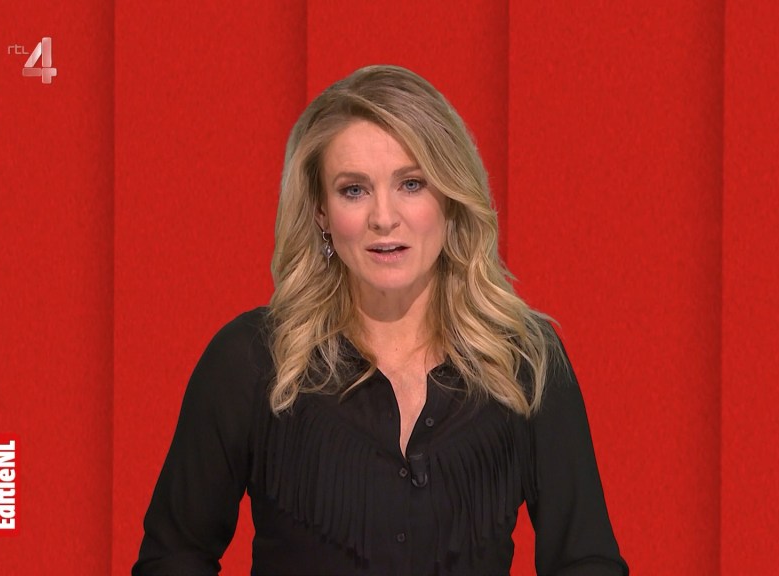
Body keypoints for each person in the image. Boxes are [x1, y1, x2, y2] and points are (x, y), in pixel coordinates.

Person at [133, 64, 628, 576]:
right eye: (354, 190)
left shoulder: (525, 359)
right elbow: (173, 557)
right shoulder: (251, 361)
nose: (384, 218)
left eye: (411, 184)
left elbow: (586, 560)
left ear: (450, 197)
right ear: (321, 212)